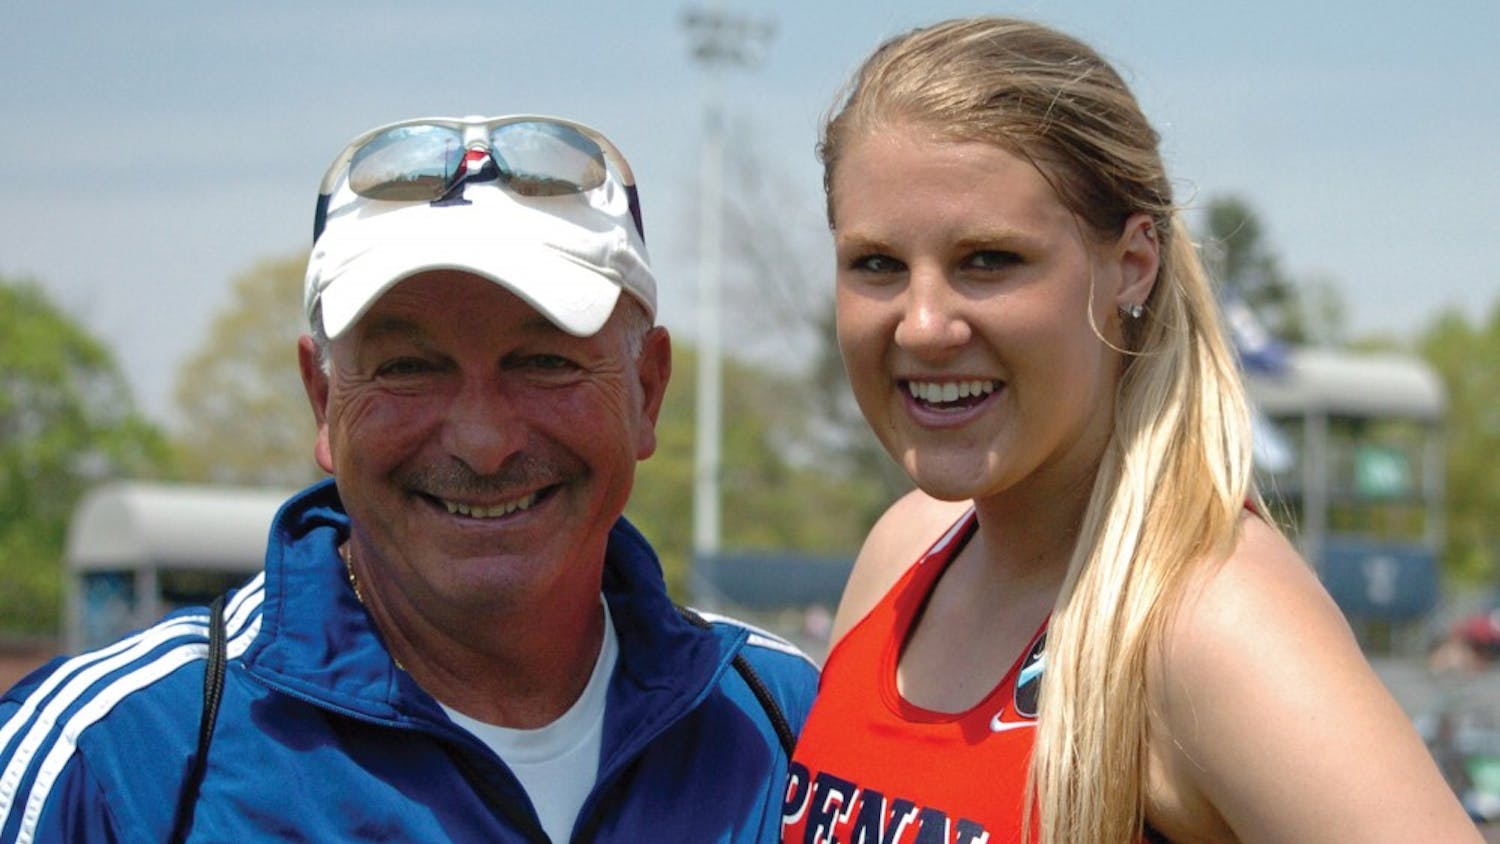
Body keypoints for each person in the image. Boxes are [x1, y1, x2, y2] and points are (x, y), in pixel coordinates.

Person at [1, 113, 817, 843]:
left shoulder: (794, 730)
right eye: (408, 367)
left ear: (647, 390)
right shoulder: (112, 763)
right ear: (322, 399)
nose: (484, 442)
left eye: (544, 361)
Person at [780, 18, 1480, 844]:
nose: (924, 324)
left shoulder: (1209, 620)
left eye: (990, 260)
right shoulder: (902, 553)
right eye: (876, 265)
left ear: (1132, 264)